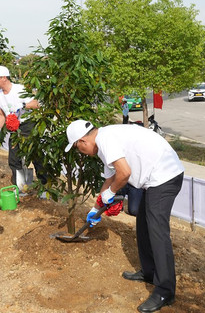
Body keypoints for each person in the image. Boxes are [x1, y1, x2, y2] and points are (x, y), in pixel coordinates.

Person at [64, 120, 184, 313]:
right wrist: (96, 208)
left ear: (83, 141)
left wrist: (111, 192)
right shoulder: (105, 140)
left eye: (79, 149)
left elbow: (124, 173)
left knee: (157, 233)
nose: (82, 153)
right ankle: (149, 272)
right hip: (153, 179)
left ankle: (165, 291)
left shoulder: (106, 140)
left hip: (165, 177)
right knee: (144, 225)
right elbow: (110, 178)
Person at [0, 65, 46, 189]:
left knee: (35, 155)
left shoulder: (19, 89)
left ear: (3, 78)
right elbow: (2, 114)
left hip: (27, 124)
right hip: (13, 127)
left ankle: (45, 186)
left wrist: (23, 105)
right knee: (14, 159)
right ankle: (22, 186)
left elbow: (36, 104)